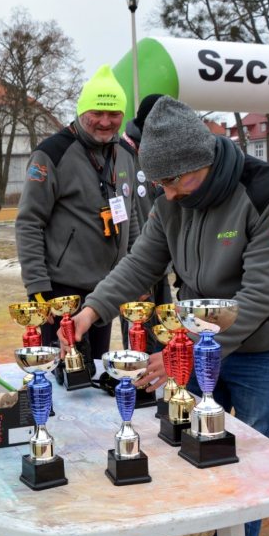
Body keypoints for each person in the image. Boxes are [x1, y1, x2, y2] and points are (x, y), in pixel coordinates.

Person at [69, 96, 269, 536]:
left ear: (206, 160)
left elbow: (261, 295)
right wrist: (92, 310)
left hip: (263, 349)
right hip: (198, 341)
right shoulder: (171, 201)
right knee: (190, 445)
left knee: (250, 463)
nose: (170, 193)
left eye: (178, 181)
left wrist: (186, 350)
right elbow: (140, 263)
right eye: (161, 183)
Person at [15, 64, 138, 364]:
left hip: (107, 288)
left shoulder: (125, 154)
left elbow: (130, 215)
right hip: (61, 292)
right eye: (97, 112)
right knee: (63, 374)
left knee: (95, 368)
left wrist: (137, 274)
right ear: (82, 111)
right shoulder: (51, 154)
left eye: (114, 114)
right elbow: (29, 222)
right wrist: (37, 287)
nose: (105, 122)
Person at [119, 93, 171, 353]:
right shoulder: (120, 154)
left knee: (165, 333)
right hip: (136, 264)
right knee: (139, 337)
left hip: (161, 261)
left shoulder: (161, 151)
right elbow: (121, 216)